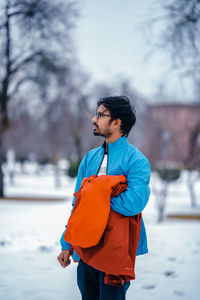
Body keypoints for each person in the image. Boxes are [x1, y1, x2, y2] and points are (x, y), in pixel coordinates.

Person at [57, 95, 151, 300]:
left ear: (117, 122)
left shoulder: (136, 161)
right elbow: (77, 205)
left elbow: (133, 203)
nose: (94, 119)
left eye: (100, 115)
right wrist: (66, 243)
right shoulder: (90, 158)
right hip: (85, 247)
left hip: (116, 252)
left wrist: (95, 196)